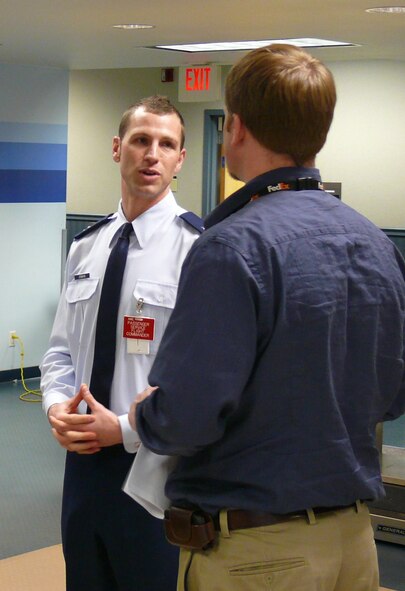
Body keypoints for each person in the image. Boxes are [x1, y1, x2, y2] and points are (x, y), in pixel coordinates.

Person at [127, 45, 405, 591]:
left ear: (234, 128)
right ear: (318, 135)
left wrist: (146, 414)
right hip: (353, 543)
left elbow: (187, 416)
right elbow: (393, 394)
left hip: (258, 554)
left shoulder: (230, 248)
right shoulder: (376, 245)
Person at [40, 95, 203, 591]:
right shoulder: (87, 246)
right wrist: (54, 407)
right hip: (83, 463)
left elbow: (199, 378)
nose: (152, 154)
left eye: (166, 144)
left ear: (180, 159)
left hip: (153, 466)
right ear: (117, 149)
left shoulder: (199, 250)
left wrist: (127, 429)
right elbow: (60, 351)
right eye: (140, 140)